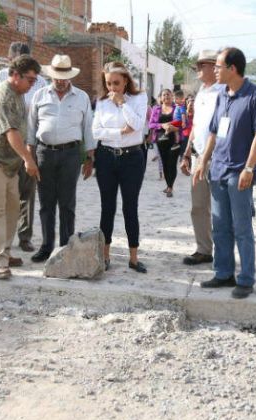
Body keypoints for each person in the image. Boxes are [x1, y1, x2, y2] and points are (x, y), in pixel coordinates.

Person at [193, 47, 256, 299]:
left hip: (239, 172)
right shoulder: (223, 95)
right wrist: (204, 160)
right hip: (218, 170)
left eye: (218, 66)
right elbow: (214, 131)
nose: (214, 70)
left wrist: (249, 167)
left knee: (242, 227)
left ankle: (246, 279)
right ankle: (223, 273)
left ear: (232, 69)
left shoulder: (255, 94)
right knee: (220, 225)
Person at [0, 55, 42, 280]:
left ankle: (6, 251)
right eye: (30, 79)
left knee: (13, 208)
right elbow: (11, 132)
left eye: (34, 80)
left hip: (9, 163)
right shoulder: (2, 96)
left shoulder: (19, 94)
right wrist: (28, 160)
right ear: (15, 75)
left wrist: (22, 158)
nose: (33, 84)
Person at [27, 55, 96, 263]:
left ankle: (66, 247)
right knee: (46, 203)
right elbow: (31, 130)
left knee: (67, 202)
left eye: (64, 76)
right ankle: (46, 246)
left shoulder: (82, 97)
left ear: (69, 76)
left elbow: (88, 129)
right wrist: (29, 159)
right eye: (57, 76)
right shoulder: (39, 96)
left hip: (71, 155)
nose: (60, 80)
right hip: (44, 153)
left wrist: (90, 158)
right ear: (52, 75)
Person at [0, 41, 48, 253]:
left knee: (26, 194)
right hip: (1, 150)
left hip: (28, 143)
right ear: (10, 62)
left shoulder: (40, 82)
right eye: (15, 60)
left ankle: (24, 236)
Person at [92, 61, 149, 273]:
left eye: (116, 83)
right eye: (108, 83)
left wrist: (123, 103)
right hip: (106, 157)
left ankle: (134, 257)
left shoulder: (139, 98)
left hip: (132, 158)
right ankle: (105, 255)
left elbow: (137, 125)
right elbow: (96, 132)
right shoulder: (102, 101)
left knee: (130, 207)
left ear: (125, 80)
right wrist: (119, 132)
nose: (112, 88)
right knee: (107, 207)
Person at [179, 49, 223, 266]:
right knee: (198, 206)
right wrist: (187, 153)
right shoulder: (201, 93)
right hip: (198, 157)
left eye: (201, 64)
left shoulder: (224, 92)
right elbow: (196, 126)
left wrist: (208, 155)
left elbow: (222, 130)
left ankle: (223, 252)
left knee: (220, 209)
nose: (196, 69)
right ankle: (204, 249)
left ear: (214, 67)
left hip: (218, 158)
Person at [149, 89, 180, 197]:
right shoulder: (156, 109)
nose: (166, 96)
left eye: (168, 94)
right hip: (161, 139)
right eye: (164, 95)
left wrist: (172, 126)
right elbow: (151, 124)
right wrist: (162, 125)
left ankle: (170, 186)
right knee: (165, 164)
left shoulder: (177, 109)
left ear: (172, 96)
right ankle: (168, 185)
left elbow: (182, 123)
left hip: (174, 139)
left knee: (172, 163)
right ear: (161, 98)